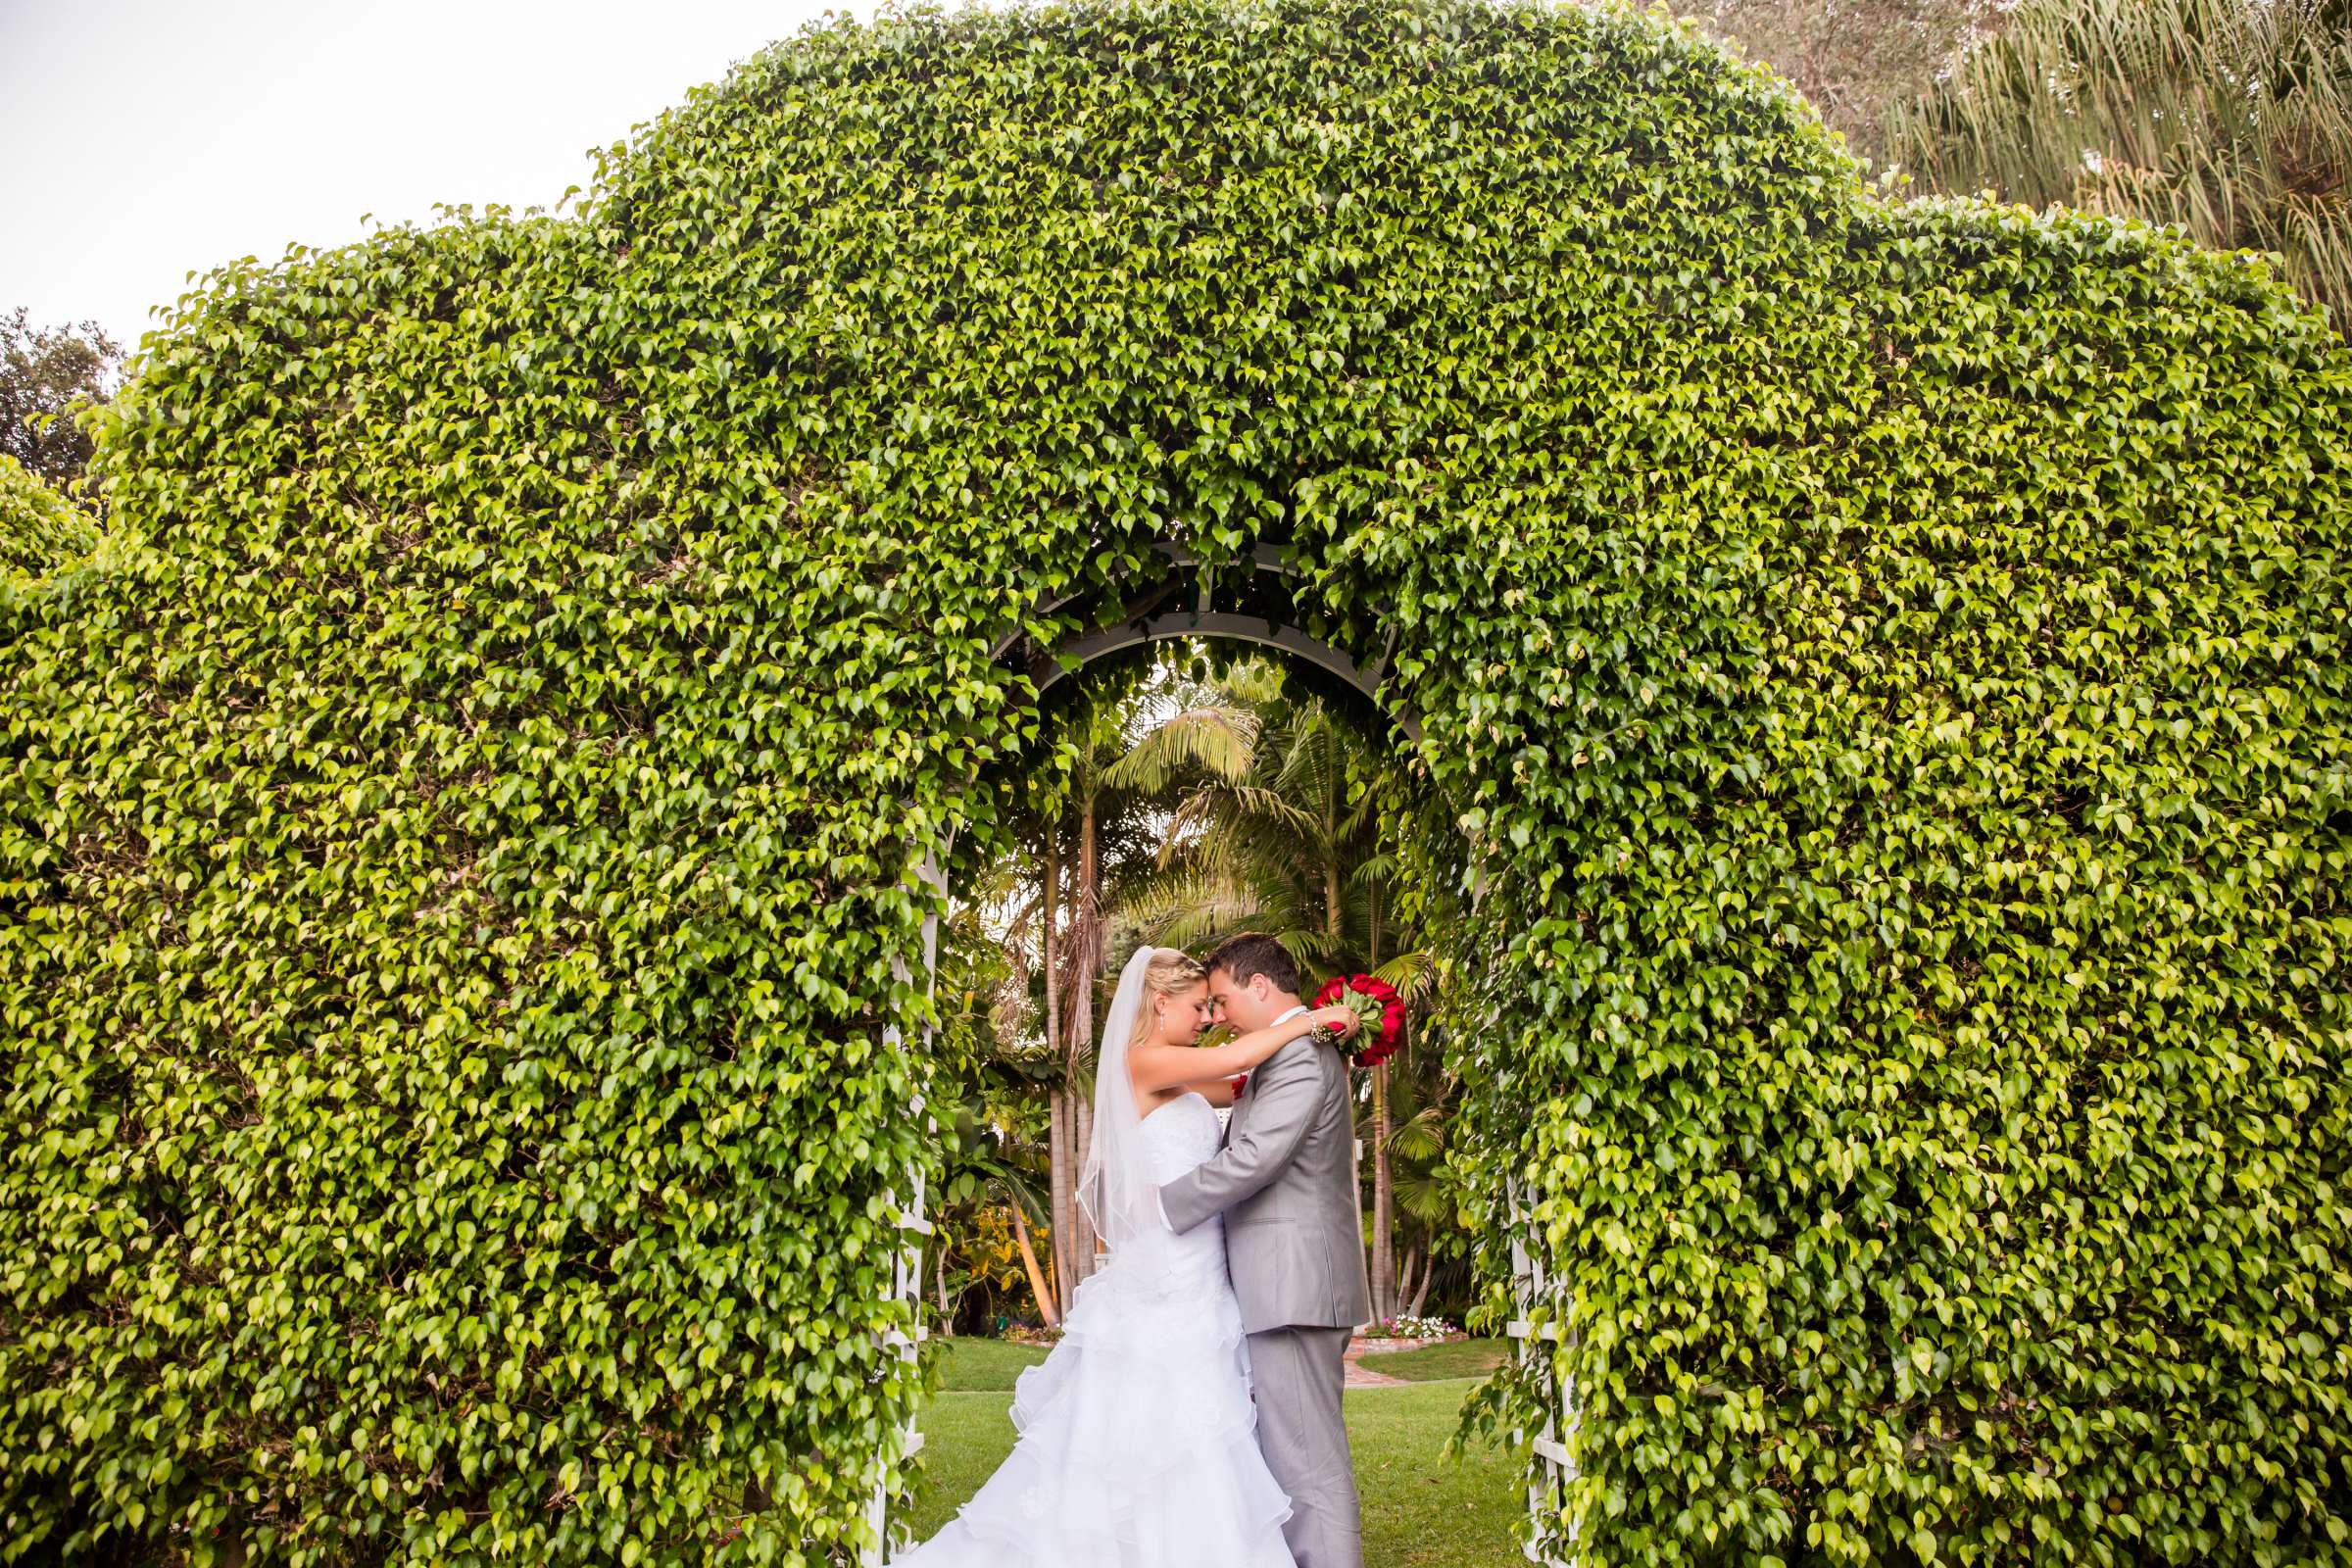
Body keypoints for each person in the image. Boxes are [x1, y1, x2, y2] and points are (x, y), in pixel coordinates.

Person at [889, 944, 1360, 1566]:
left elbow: (1243, 1085)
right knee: (1155, 1423)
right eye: (1199, 1005)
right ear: (1158, 1002)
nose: (1209, 1017)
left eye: (1215, 1004)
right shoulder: (1144, 1060)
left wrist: (1310, 1042)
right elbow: (1239, 1058)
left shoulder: (1186, 1070)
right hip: (1168, 1263)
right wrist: (1311, 1020)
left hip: (1203, 1271)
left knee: (1206, 1432)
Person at [1155, 932, 1374, 1568]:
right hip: (1281, 1286)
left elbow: (1254, 1160)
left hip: (1294, 1288)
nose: (1217, 1015)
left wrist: (1160, 1207)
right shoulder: (1284, 1055)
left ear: (1259, 986)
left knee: (1309, 1468)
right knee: (1292, 1460)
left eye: (1221, 999)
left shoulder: (1301, 1055)